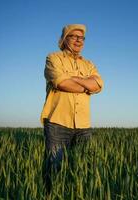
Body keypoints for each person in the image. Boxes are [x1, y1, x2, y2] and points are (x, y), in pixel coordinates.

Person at [40, 24, 103, 194]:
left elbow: (98, 85)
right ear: (64, 39)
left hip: (83, 125)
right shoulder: (53, 58)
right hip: (58, 123)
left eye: (81, 38)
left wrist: (75, 79)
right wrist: (85, 85)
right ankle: (51, 196)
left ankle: (76, 194)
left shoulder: (89, 64)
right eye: (73, 36)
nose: (78, 40)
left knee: (83, 167)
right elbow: (61, 83)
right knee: (54, 168)